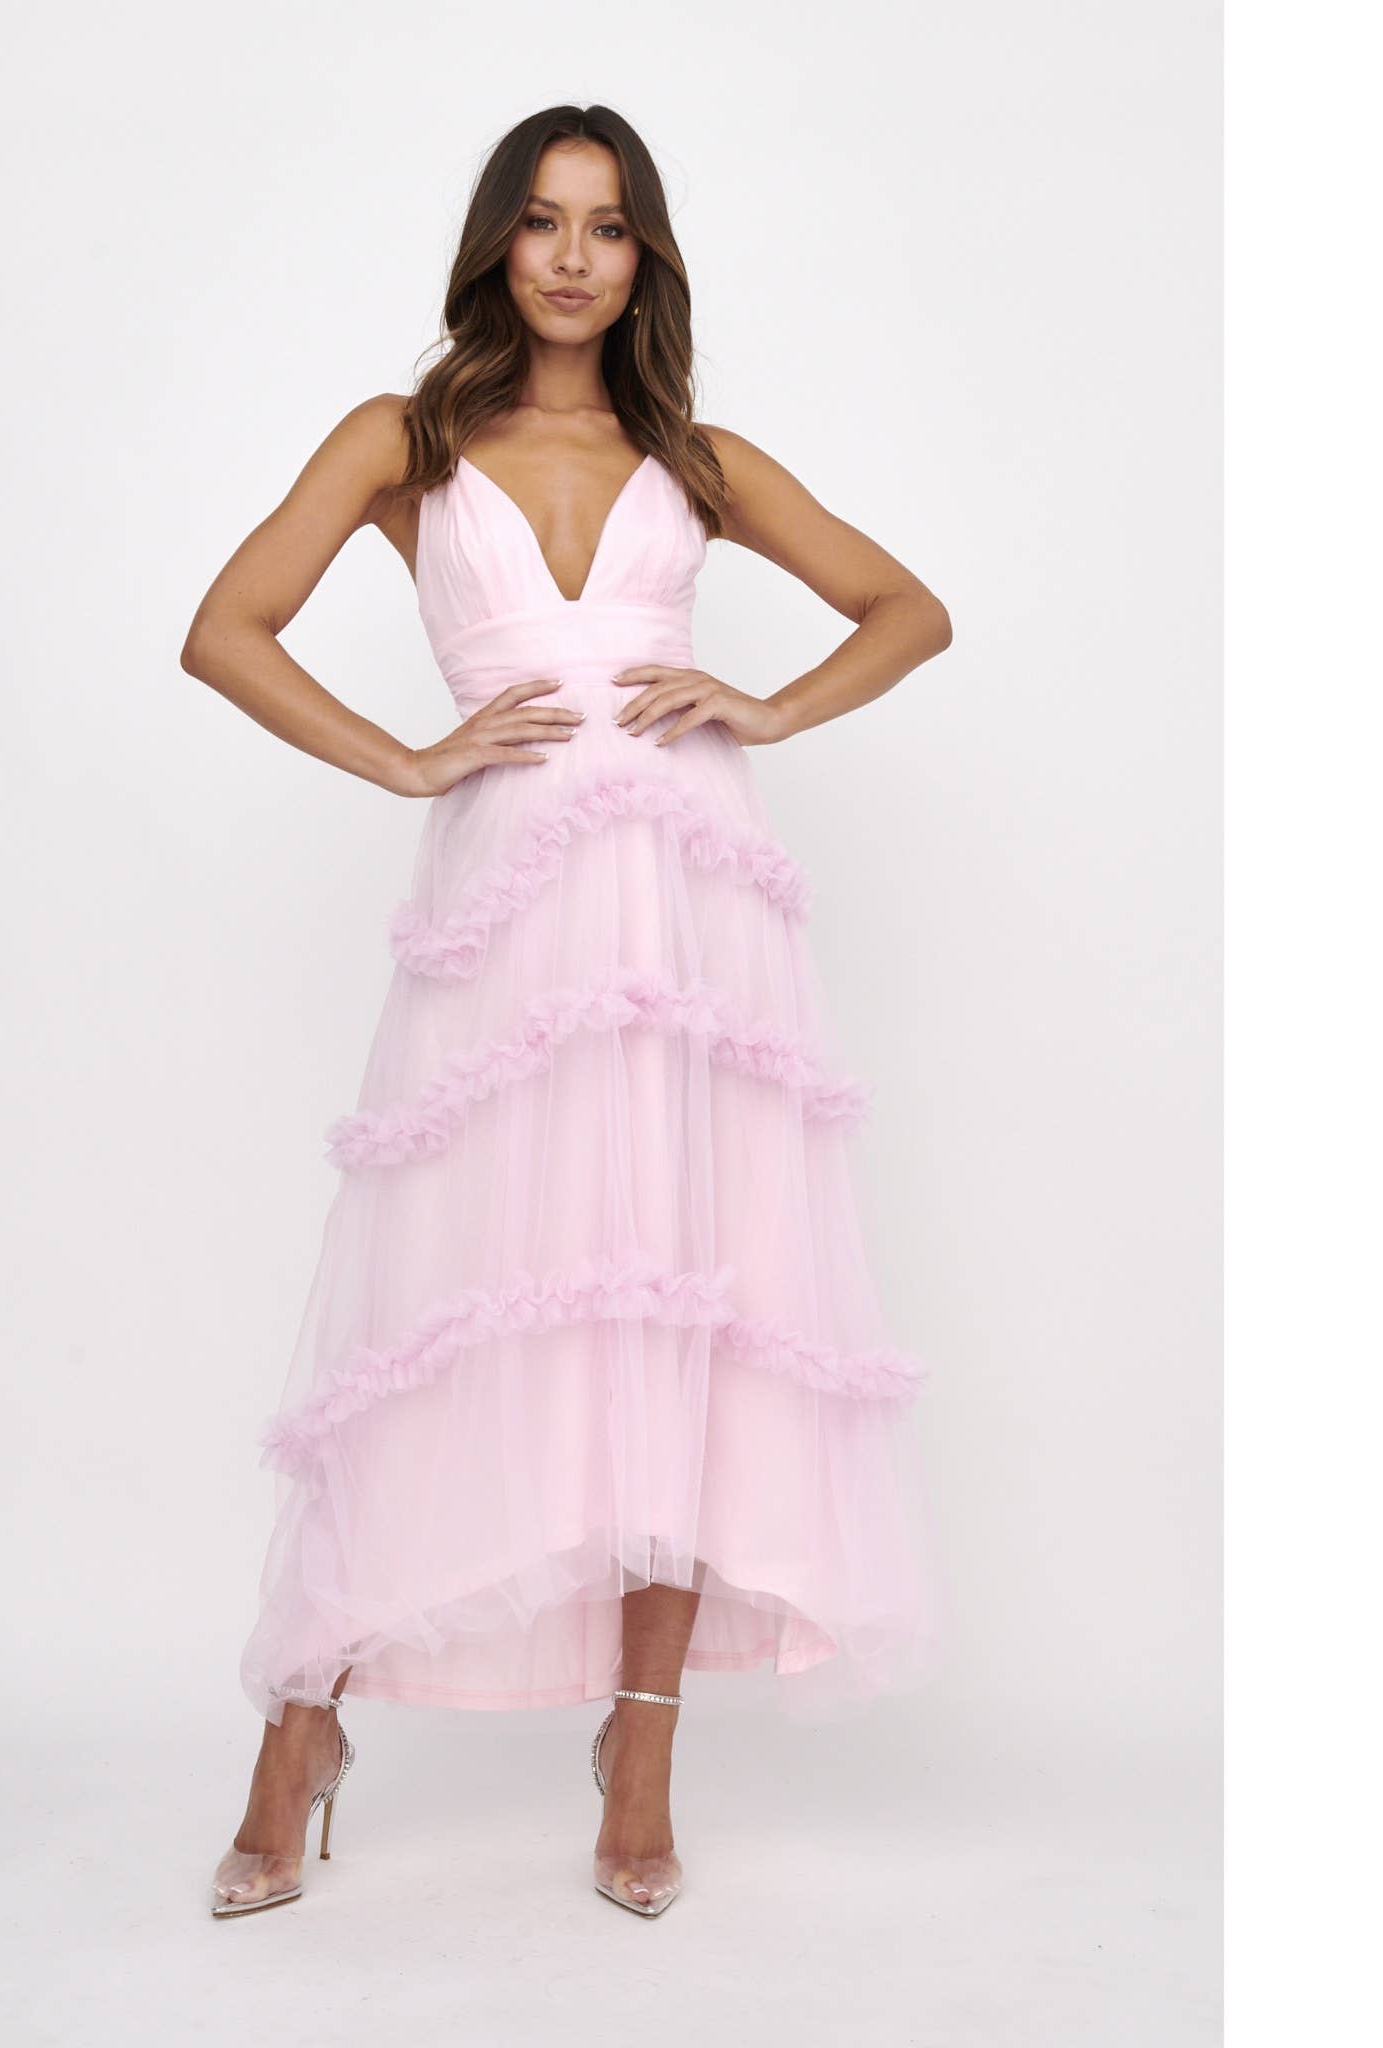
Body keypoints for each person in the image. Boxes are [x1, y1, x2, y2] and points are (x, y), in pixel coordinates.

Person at [180, 104, 952, 1921]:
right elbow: (227, 628)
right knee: (432, 1307)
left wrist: (769, 704)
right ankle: (301, 1730)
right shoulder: (406, 440)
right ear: (497, 244)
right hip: (510, 921)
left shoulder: (696, 456)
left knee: (680, 1300)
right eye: (542, 221)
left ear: (645, 257)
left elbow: (907, 608)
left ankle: (646, 1749)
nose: (574, 257)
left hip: (691, 920)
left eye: (608, 226)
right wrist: (406, 756)